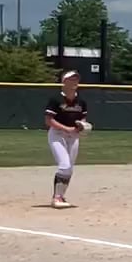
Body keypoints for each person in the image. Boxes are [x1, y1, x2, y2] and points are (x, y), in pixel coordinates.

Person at [44, 70, 89, 209]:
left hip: (73, 136)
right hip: (57, 134)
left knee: (69, 169)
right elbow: (49, 120)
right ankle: (56, 198)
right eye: (71, 79)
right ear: (64, 82)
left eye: (76, 79)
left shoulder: (81, 101)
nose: (75, 82)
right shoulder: (56, 99)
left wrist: (82, 125)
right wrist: (66, 129)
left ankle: (61, 196)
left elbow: (82, 118)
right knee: (64, 165)